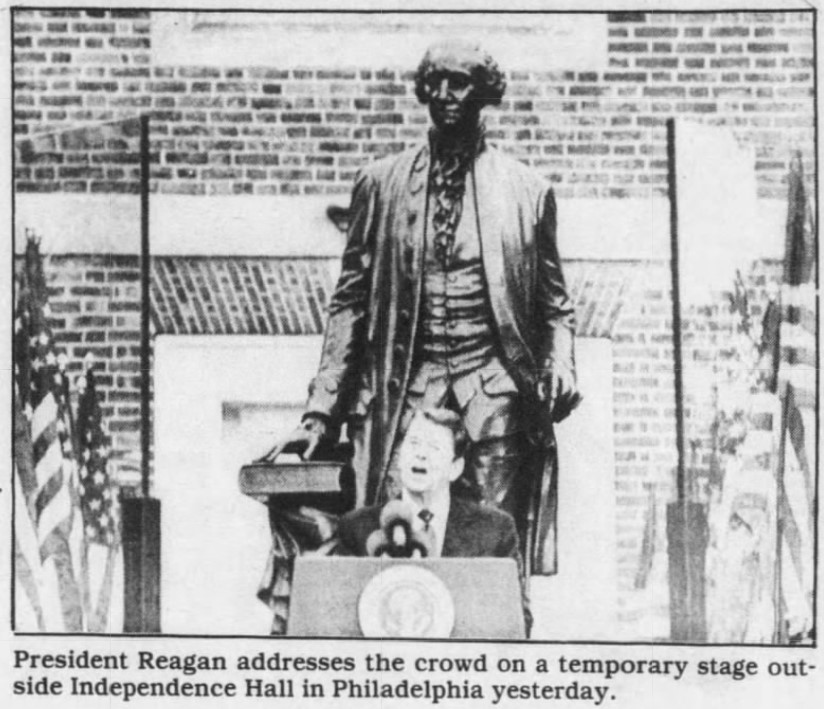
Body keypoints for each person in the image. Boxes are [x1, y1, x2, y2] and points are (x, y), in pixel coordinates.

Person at [265, 39, 579, 573]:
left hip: (492, 394)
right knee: (389, 549)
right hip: (402, 390)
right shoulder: (380, 184)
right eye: (433, 83)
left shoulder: (529, 192)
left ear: (484, 92)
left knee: (488, 557)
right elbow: (349, 305)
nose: (443, 94)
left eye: (457, 82)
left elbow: (554, 306)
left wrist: (562, 363)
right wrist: (320, 413)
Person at [337, 408, 532, 633]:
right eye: (414, 443)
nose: (421, 454)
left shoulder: (495, 530)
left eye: (434, 447)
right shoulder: (357, 527)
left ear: (455, 468)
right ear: (399, 458)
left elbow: (519, 619)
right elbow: (341, 618)